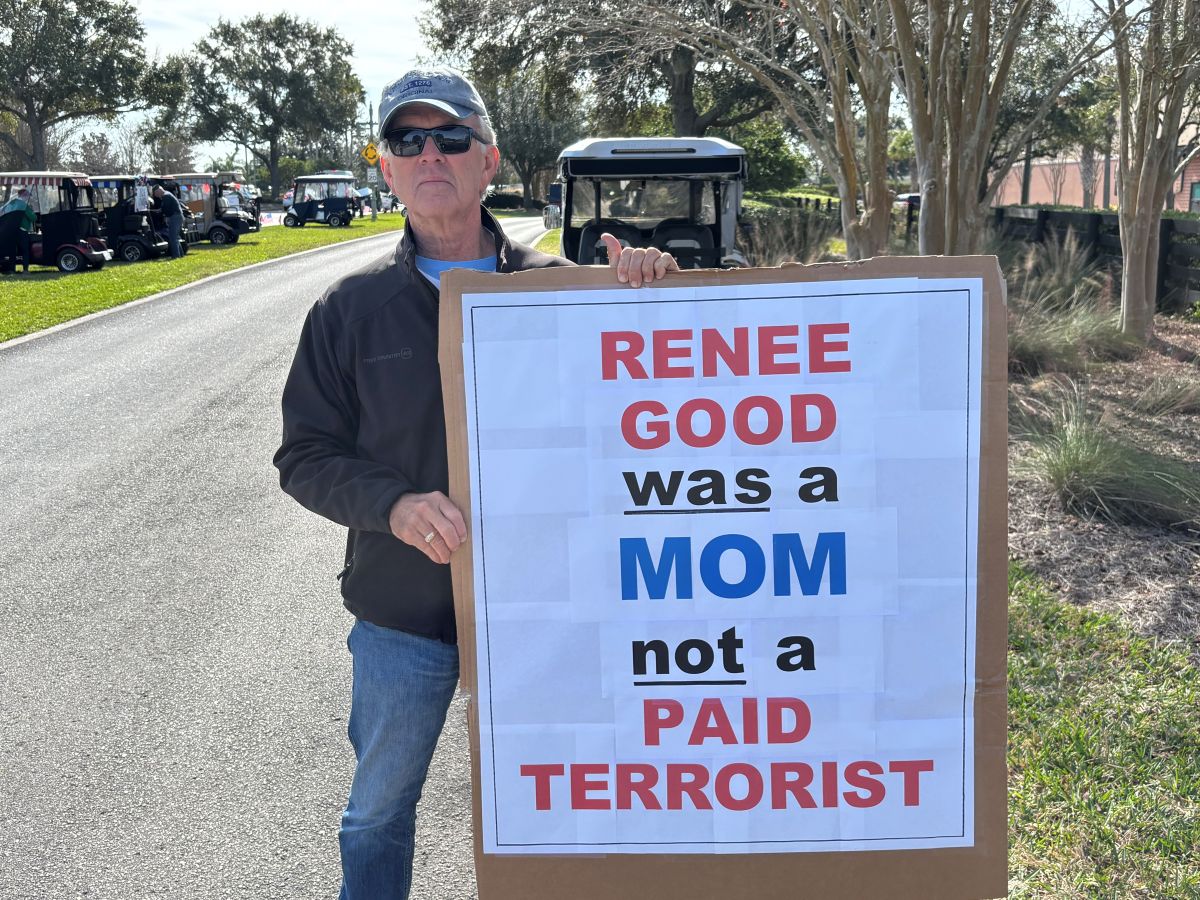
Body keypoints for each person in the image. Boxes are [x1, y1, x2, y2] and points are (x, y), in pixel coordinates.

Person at [273, 66, 677, 900]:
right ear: (384, 167)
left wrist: (646, 291)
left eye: (452, 137)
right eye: (407, 140)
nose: (431, 154)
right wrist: (392, 503)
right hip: (404, 617)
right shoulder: (346, 311)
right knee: (377, 812)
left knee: (574, 808)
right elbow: (304, 455)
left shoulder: (565, 291)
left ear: (488, 159)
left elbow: (656, 413)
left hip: (556, 616)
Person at [1, 188, 37, 273]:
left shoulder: (10, 204)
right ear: (24, 195)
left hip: (10, 231)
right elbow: (33, 217)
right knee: (24, 250)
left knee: (12, 250)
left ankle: (12, 269)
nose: (29, 197)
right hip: (22, 230)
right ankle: (25, 270)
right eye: (28, 195)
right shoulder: (24, 205)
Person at [153, 186, 183, 259]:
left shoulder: (166, 196)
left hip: (175, 217)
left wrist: (160, 212)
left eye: (156, 194)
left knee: (173, 237)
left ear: (159, 191)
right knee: (175, 237)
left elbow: (166, 209)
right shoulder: (167, 194)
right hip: (177, 217)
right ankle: (180, 254)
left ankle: (176, 256)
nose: (156, 196)